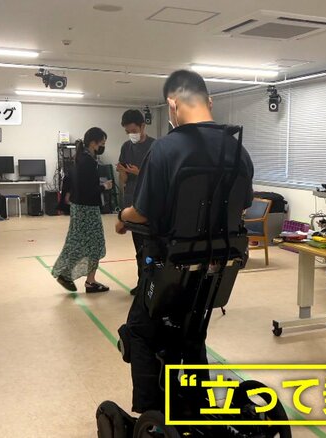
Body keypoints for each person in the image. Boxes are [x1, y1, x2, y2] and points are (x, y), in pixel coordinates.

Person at [115, 70, 254, 413]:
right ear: (210, 102)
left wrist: (121, 216)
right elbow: (242, 206)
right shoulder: (239, 151)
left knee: (138, 332)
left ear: (172, 104)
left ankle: (150, 416)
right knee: (192, 330)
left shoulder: (164, 149)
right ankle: (195, 401)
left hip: (170, 267)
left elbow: (143, 213)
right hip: (215, 271)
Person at [51, 127, 112, 293]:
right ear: (93, 143)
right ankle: (82, 279)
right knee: (94, 244)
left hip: (78, 207)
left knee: (78, 242)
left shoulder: (80, 159)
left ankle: (80, 278)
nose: (103, 146)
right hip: (88, 209)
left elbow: (69, 180)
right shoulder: (88, 162)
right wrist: (104, 187)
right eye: (102, 143)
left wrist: (66, 199)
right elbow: (88, 189)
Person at [116, 110, 155, 295]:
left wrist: (139, 172)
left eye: (133, 130)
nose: (131, 134)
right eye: (127, 132)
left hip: (149, 205)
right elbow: (123, 181)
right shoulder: (126, 147)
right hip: (132, 202)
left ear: (142, 126)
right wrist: (122, 172)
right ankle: (142, 283)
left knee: (151, 249)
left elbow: (158, 177)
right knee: (139, 248)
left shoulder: (155, 146)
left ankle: (151, 285)